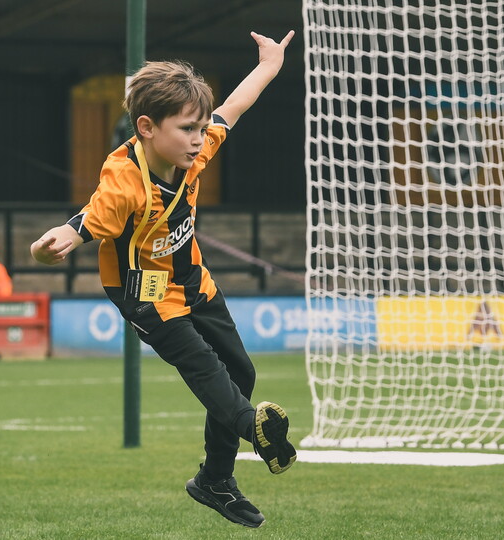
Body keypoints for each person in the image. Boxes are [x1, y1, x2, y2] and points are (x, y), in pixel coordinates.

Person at [31, 30, 296, 528]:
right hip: (144, 293)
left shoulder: (191, 153)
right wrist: (52, 245)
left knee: (241, 372)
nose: (199, 138)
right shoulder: (123, 181)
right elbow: (80, 226)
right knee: (204, 368)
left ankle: (215, 480)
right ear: (147, 128)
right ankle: (253, 432)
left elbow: (233, 109)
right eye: (187, 129)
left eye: (201, 129)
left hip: (193, 279)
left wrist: (269, 65)